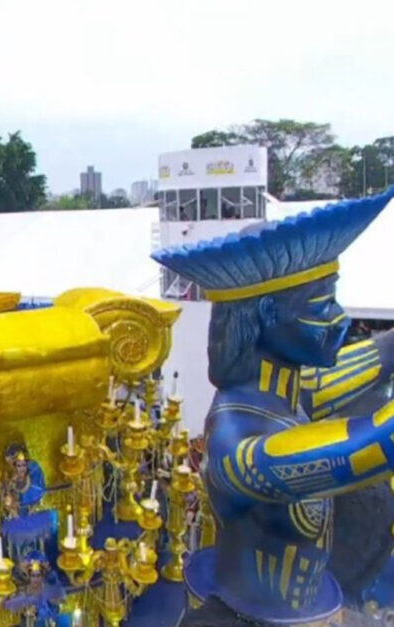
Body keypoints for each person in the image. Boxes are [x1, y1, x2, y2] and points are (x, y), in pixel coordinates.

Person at [153, 189, 394, 625]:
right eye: (323, 304)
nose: (340, 319)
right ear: (267, 312)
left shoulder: (286, 393)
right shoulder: (237, 439)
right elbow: (376, 444)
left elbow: (384, 353)